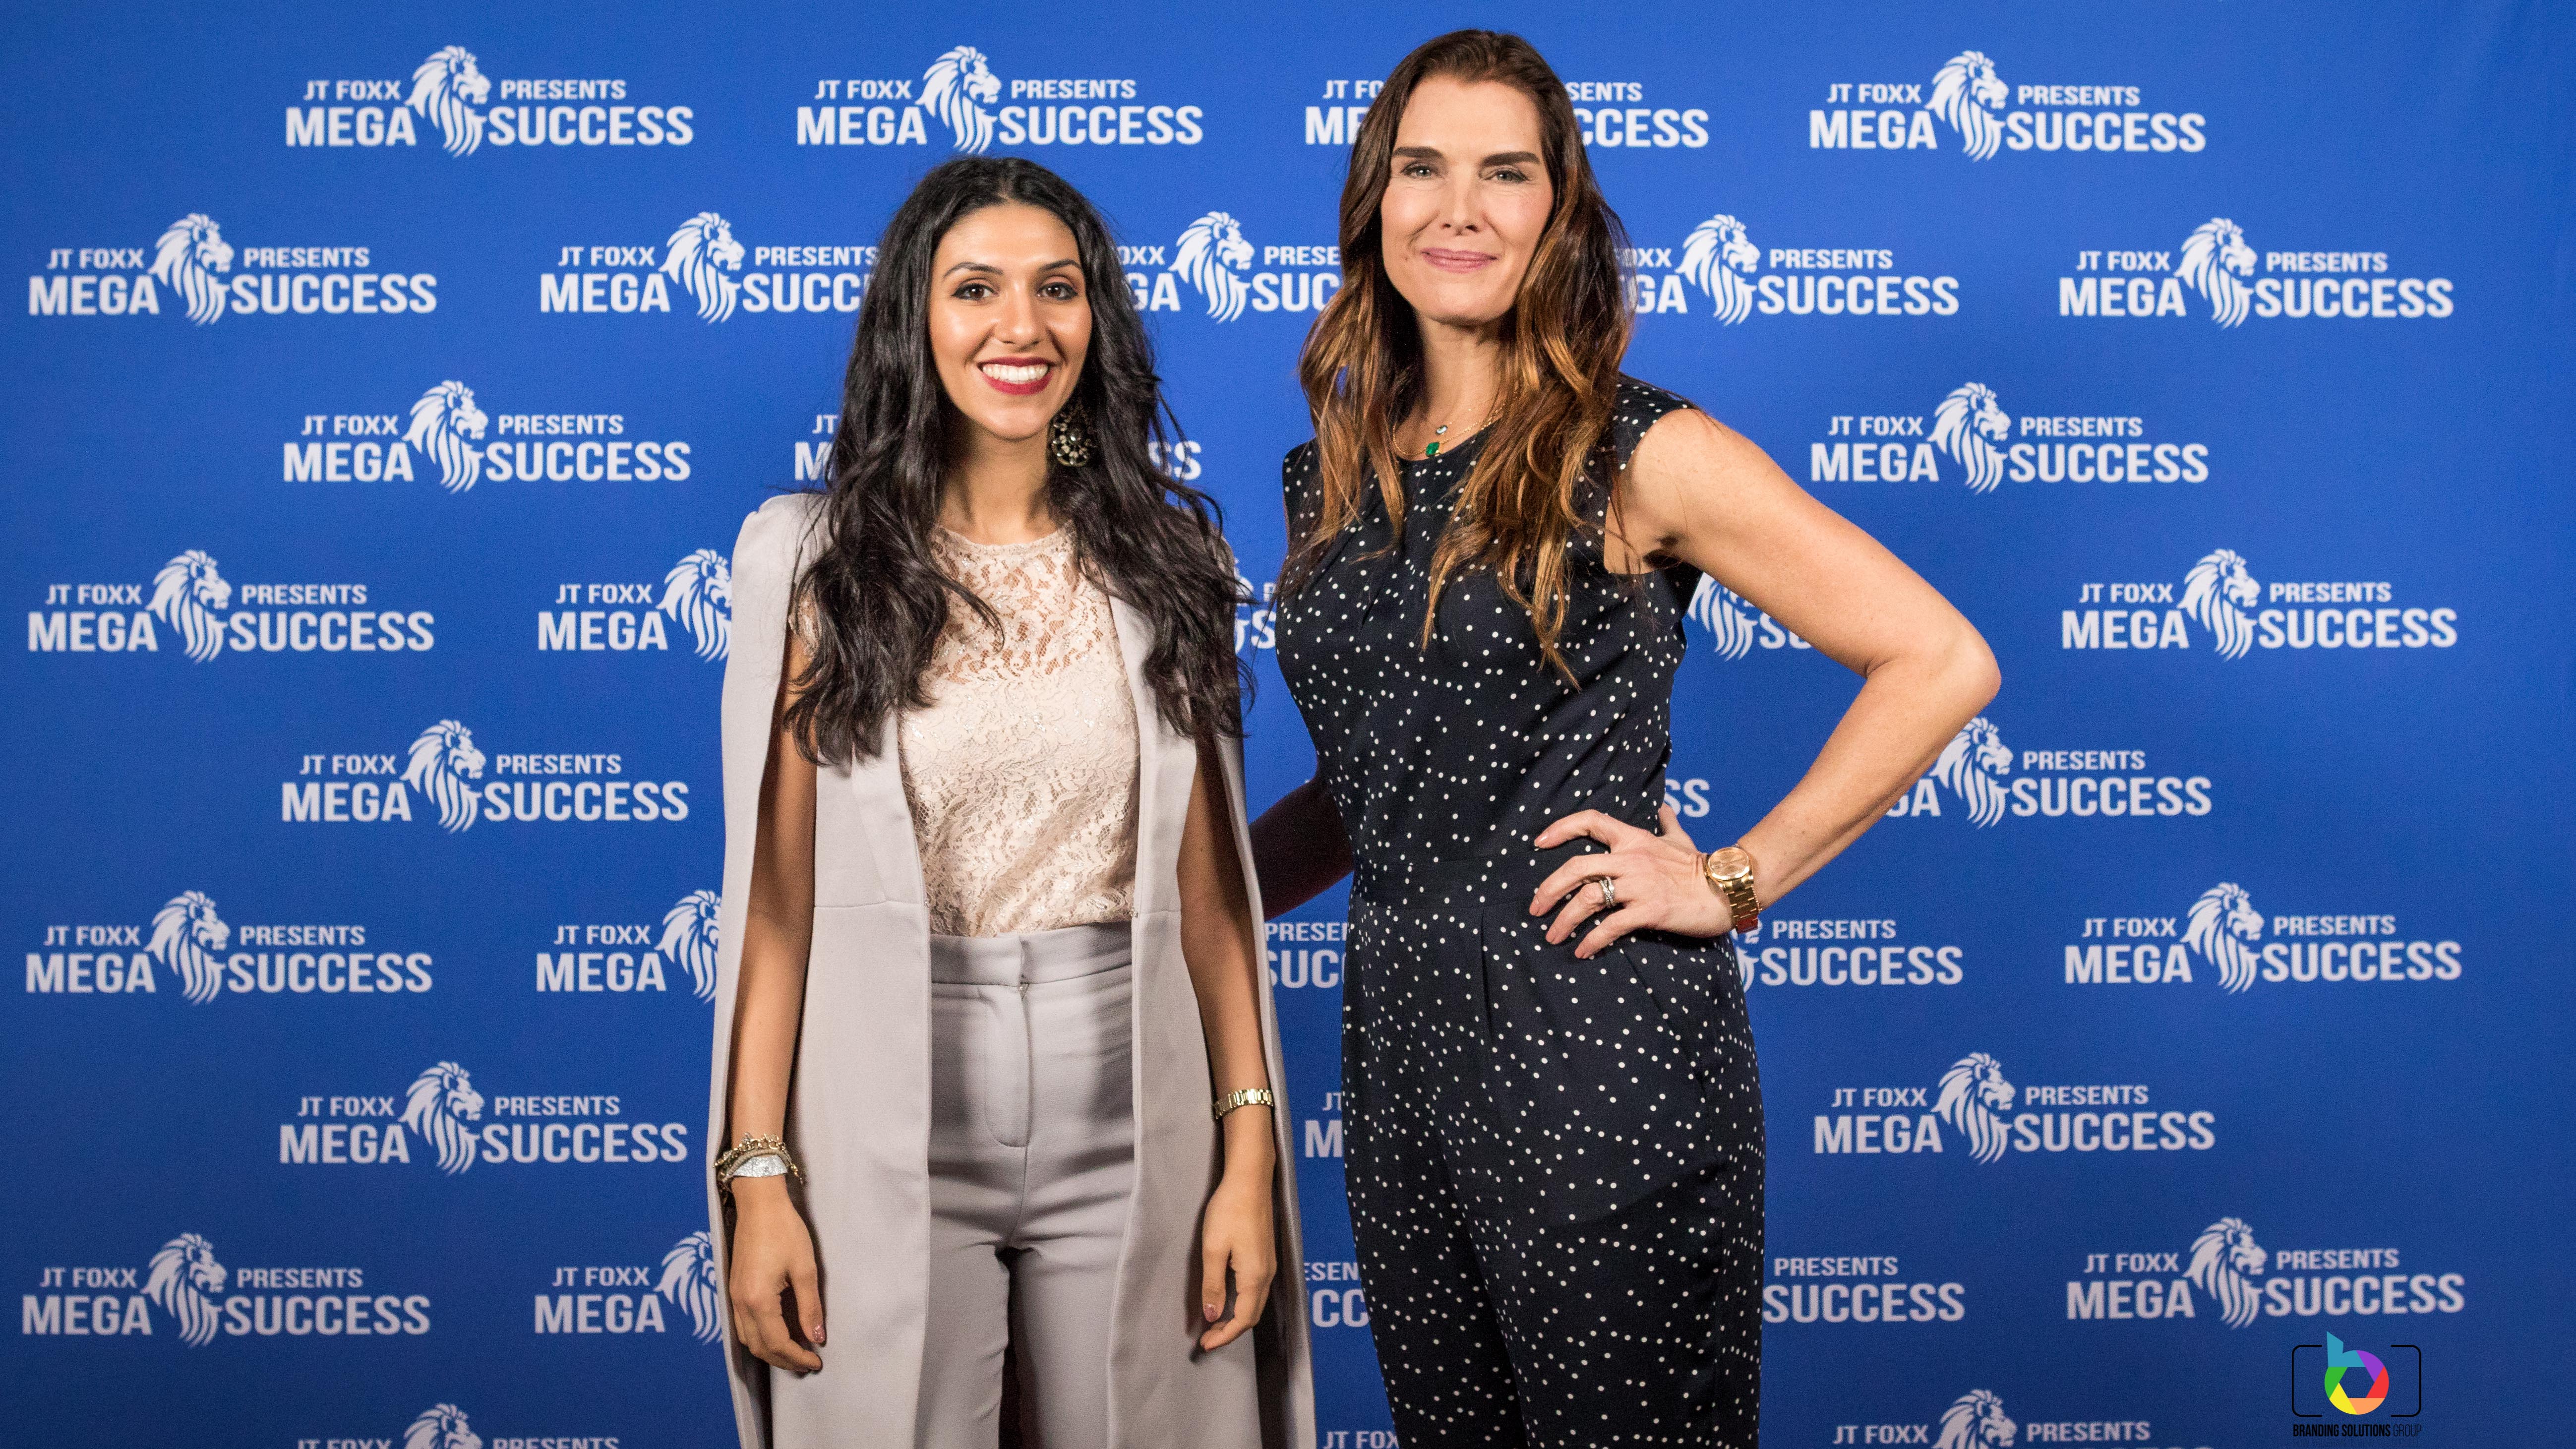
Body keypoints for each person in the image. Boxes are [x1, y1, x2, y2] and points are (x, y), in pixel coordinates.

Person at [1253, 30, 2001, 1448]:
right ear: (1373, 200)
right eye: (1421, 168)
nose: (1457, 208)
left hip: (1598, 1053)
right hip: (1400, 1061)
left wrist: (1732, 878)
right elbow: (1384, 781)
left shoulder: (1636, 449)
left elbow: (1940, 658)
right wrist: (1189, 902)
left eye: (1504, 173)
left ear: (1559, 210)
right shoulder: (1330, 474)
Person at [705, 156, 1313, 1449]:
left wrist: (1248, 1158)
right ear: (913, 321)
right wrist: (757, 1175)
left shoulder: (1171, 561)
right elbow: (776, 909)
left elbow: (1212, 903)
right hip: (885, 1110)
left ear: (1097, 322)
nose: (1020, 326)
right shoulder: (812, 565)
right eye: (975, 289)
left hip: (1134, 1107)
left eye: (1058, 289)